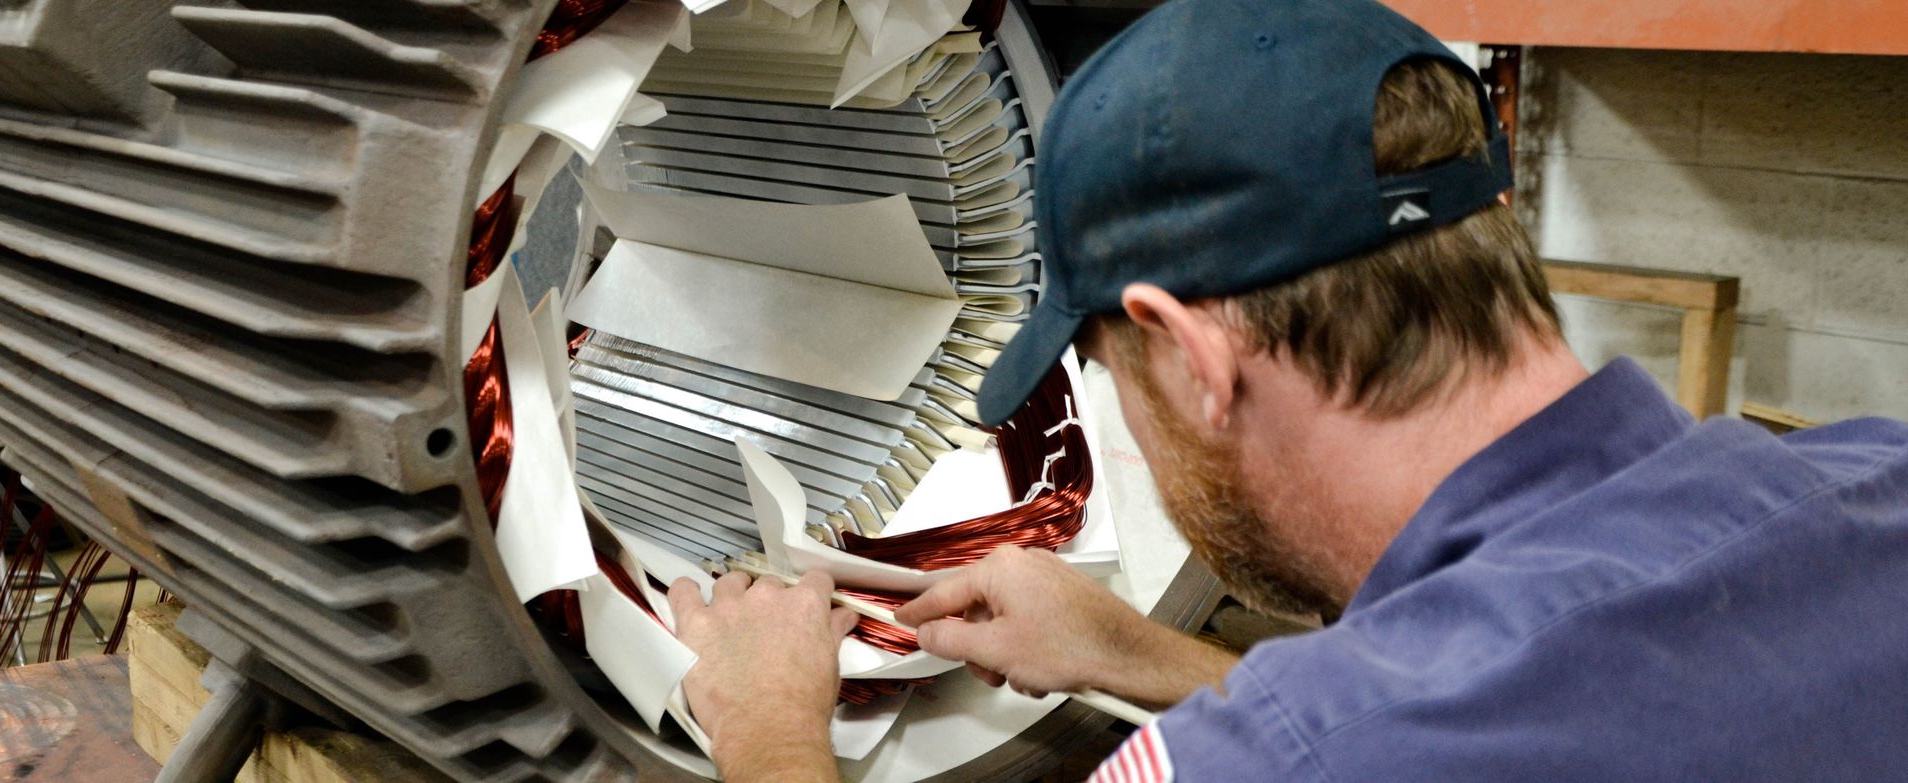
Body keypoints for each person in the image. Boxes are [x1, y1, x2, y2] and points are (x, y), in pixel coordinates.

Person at [667, 0, 1908, 778]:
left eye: (1109, 377)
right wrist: (1138, 653)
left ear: (1196, 360)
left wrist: (769, 727)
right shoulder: (1875, 477)